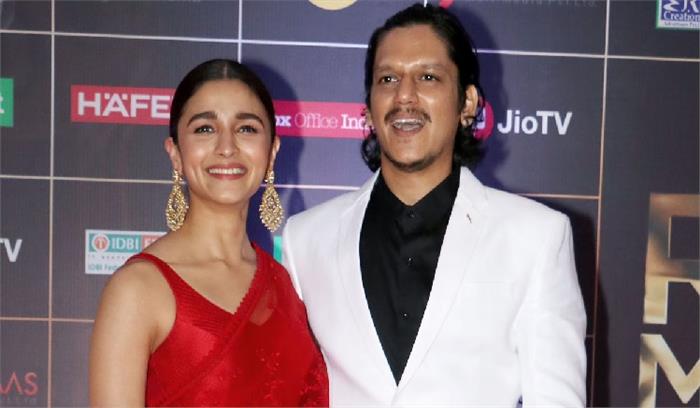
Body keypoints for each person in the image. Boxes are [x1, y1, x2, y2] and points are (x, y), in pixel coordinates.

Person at [282, 4, 586, 406]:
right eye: (388, 79)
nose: (404, 96)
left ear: (467, 103)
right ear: (369, 106)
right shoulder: (306, 238)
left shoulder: (536, 236)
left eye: (428, 77)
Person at [89, 59, 328, 407]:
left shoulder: (286, 287)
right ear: (175, 153)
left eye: (246, 128)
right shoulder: (138, 289)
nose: (226, 147)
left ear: (272, 152)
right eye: (204, 129)